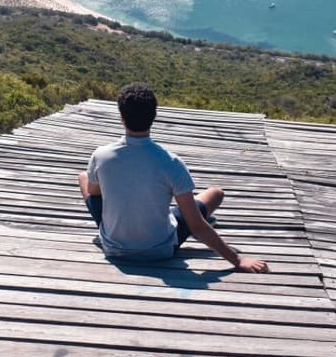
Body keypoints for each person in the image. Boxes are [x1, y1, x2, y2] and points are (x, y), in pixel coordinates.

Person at [78, 82, 269, 273]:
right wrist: (237, 259)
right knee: (216, 194)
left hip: (114, 248)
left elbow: (94, 195)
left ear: (121, 117)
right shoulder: (171, 162)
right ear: (153, 116)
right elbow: (195, 225)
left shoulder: (101, 155)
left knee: (84, 178)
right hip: (160, 250)